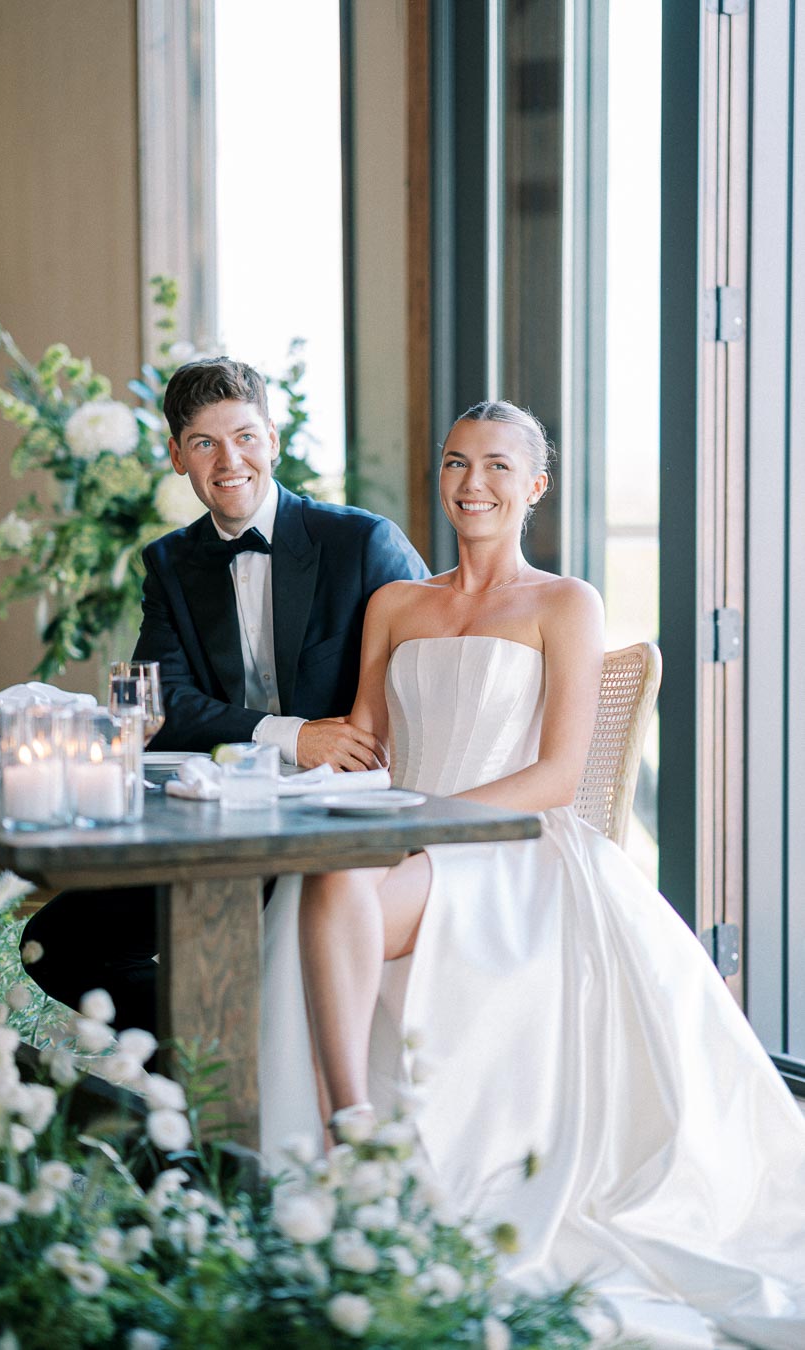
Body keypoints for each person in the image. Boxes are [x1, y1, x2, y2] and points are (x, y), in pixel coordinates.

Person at [260, 401, 805, 1350]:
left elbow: (560, 773)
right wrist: (328, 787)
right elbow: (369, 749)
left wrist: (431, 824)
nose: (474, 484)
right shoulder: (395, 604)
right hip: (405, 833)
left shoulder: (567, 602)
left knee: (338, 886)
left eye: (499, 467)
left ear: (535, 487)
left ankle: (351, 1141)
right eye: (457, 462)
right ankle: (351, 1129)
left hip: (513, 848)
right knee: (328, 876)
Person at [21, 358, 428, 1029]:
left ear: (272, 439)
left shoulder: (361, 544)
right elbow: (160, 707)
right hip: (219, 828)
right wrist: (292, 733)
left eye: (243, 436)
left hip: (337, 833)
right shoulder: (170, 563)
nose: (228, 459)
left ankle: (229, 1071)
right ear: (178, 456)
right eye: (205, 443)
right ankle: (213, 1058)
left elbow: (432, 677)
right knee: (53, 945)